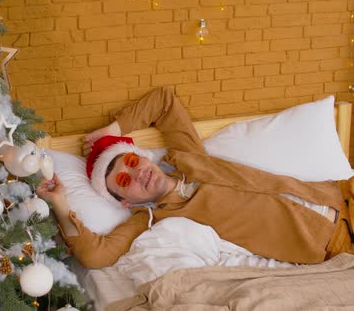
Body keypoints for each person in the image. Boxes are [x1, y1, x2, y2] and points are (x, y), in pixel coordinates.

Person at [36, 88, 354, 269]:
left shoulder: (187, 157)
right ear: (125, 201)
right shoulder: (150, 218)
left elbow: (164, 101)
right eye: (124, 181)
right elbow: (96, 255)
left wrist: (113, 131)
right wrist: (62, 205)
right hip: (331, 244)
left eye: (132, 161)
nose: (136, 173)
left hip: (339, 194)